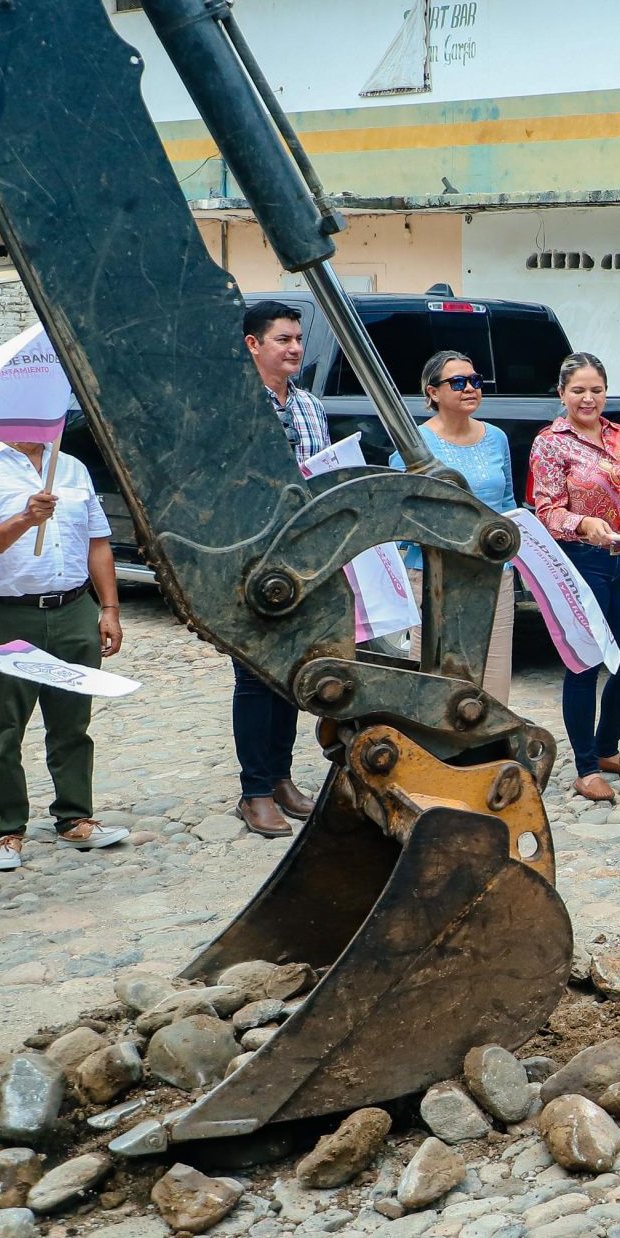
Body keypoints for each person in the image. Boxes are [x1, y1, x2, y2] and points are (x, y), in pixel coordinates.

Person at [0, 438, 128, 872]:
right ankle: (5, 829)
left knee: (73, 722)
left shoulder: (71, 467)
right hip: (7, 616)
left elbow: (97, 542)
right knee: (4, 728)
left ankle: (74, 818)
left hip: (73, 610)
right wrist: (26, 518)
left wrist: (110, 609)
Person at [530, 352, 620, 801]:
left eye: (596, 389)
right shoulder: (550, 442)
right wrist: (581, 524)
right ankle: (585, 766)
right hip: (582, 559)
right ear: (562, 394)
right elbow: (545, 510)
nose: (588, 398)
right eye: (578, 390)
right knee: (584, 662)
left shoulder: (619, 435)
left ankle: (607, 747)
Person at [234, 301, 328, 838]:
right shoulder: (235, 407)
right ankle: (254, 791)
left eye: (297, 339)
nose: (294, 348)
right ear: (253, 344)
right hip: (253, 556)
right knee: (254, 674)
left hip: (306, 556)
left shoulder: (311, 407)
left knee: (292, 673)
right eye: (282, 340)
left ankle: (281, 777)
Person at [389, 350, 517, 699]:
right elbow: (402, 516)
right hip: (435, 573)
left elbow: (507, 506)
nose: (469, 388)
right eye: (457, 382)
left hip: (492, 572)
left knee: (492, 676)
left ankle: (488, 750)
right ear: (433, 392)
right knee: (435, 676)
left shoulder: (497, 438)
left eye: (475, 381)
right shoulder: (414, 445)